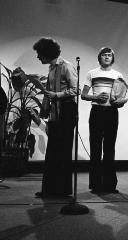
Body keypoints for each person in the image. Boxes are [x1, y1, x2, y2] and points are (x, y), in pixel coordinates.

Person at [33, 37, 78, 198]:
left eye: (39, 53)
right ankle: (50, 189)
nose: (38, 57)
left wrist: (56, 95)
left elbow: (76, 90)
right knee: (52, 151)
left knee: (63, 151)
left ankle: (62, 190)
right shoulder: (52, 68)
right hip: (55, 111)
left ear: (46, 53)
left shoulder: (66, 66)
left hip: (66, 111)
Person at [81, 47, 128, 194]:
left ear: (112, 58)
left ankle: (110, 185)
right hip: (96, 112)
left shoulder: (117, 75)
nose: (107, 57)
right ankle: (95, 185)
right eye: (104, 55)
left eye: (109, 55)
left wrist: (121, 101)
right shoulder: (91, 73)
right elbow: (83, 95)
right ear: (99, 57)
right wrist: (95, 97)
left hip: (112, 113)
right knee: (95, 149)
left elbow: (121, 96)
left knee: (109, 149)